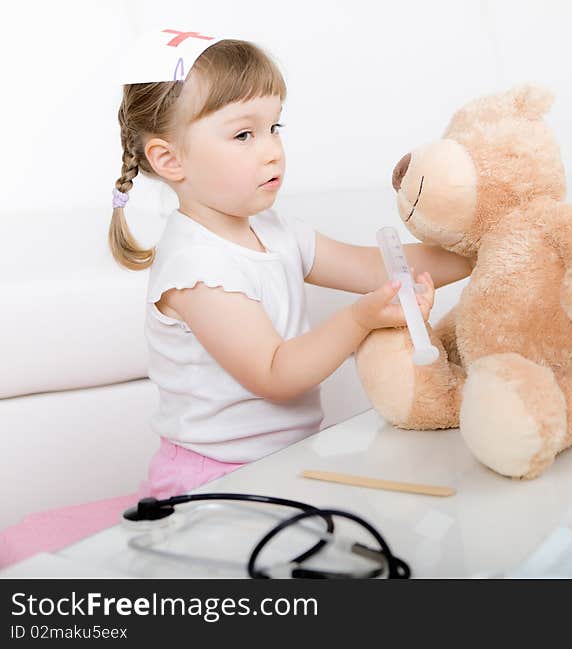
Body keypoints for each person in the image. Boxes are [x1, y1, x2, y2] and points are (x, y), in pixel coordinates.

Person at [0, 36, 471, 569]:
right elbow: (274, 373)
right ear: (169, 159)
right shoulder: (195, 269)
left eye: (275, 127)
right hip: (212, 483)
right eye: (244, 134)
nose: (272, 149)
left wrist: (482, 249)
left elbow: (375, 264)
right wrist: (361, 319)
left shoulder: (274, 231)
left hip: (281, 467)